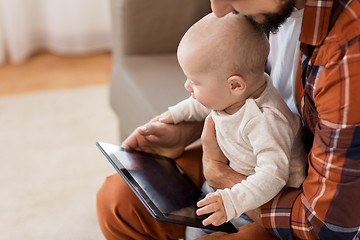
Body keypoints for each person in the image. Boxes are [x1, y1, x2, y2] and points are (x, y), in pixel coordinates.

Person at [96, 0, 360, 239]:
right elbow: (232, 93)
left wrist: (221, 176)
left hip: (286, 192)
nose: (219, 10)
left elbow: (323, 227)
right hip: (240, 156)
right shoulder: (263, 14)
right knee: (118, 201)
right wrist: (179, 126)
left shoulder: (348, 53)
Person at [156, 12, 306, 236]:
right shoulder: (236, 93)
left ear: (235, 85)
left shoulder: (265, 121)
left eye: (195, 82)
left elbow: (272, 176)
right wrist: (172, 116)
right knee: (191, 226)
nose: (187, 86)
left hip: (254, 201)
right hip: (227, 185)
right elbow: (202, 103)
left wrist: (231, 201)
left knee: (199, 231)